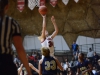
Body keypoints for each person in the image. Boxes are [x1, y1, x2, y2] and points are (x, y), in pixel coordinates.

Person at [0, 0, 31, 75]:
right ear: (7, 7)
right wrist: (28, 70)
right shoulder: (12, 23)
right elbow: (19, 48)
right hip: (5, 62)